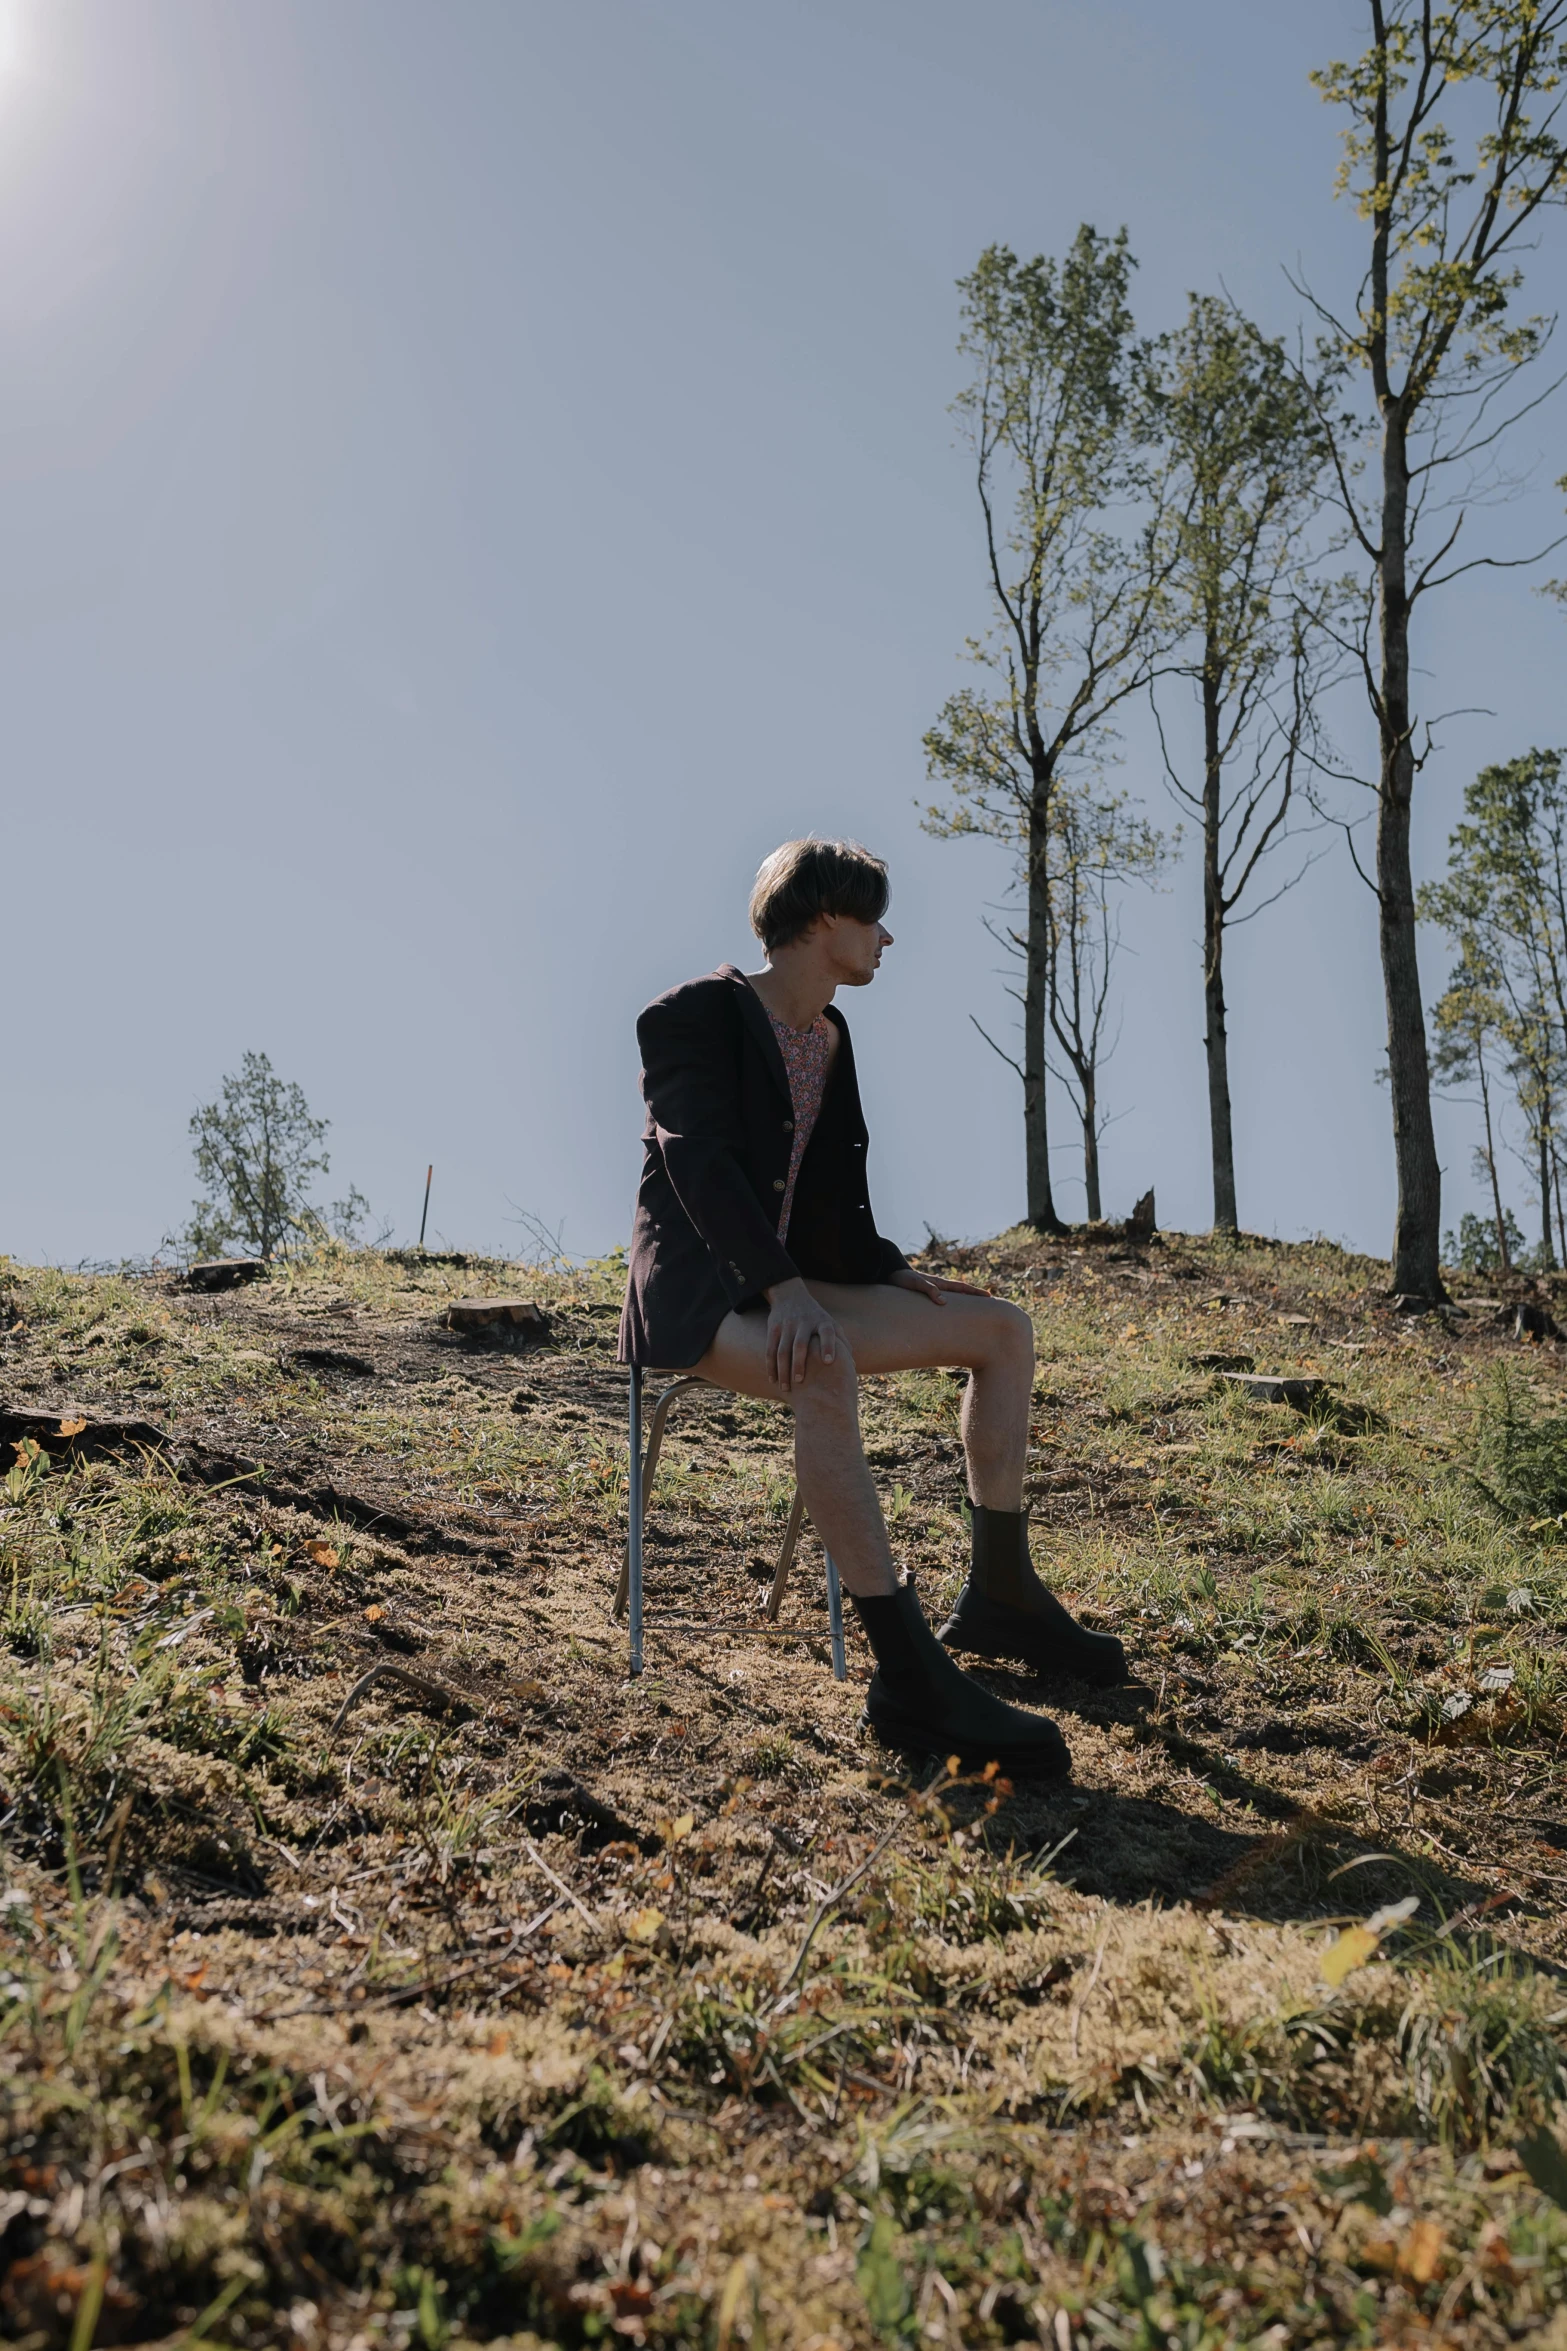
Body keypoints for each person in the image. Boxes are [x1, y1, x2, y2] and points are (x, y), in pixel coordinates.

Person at [618, 837, 1129, 1778]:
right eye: (871, 918)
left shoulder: (829, 1035)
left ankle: (1001, 1594)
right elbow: (700, 1166)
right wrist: (783, 1292)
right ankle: (904, 1677)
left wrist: (890, 1272)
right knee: (820, 1367)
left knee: (1001, 1331)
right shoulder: (690, 1015)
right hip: (701, 1298)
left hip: (792, 1289)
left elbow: (825, 1199)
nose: (887, 937)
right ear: (820, 922)